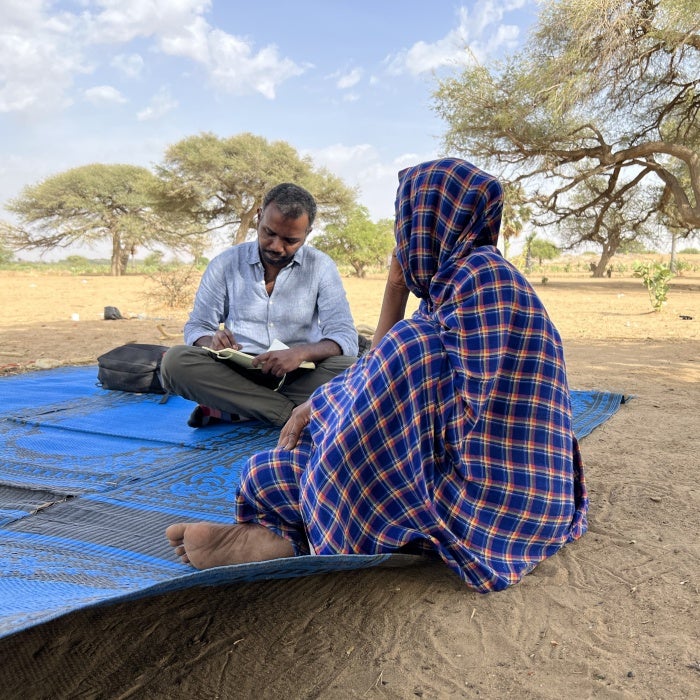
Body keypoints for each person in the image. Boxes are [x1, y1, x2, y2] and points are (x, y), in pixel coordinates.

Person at [166, 158, 588, 592]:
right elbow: (383, 369)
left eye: (406, 222)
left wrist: (324, 391)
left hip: (484, 479)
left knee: (383, 374)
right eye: (269, 233)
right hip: (245, 371)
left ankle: (295, 535)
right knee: (246, 444)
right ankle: (289, 529)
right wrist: (395, 286)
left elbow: (382, 360)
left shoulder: (481, 282)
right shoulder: (453, 281)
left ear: (429, 220)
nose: (401, 237)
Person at [160, 182, 359, 428]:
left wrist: (300, 353)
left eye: (290, 240)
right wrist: (210, 341)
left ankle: (239, 408)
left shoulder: (321, 267)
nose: (277, 246)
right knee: (175, 362)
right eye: (269, 233)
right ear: (258, 216)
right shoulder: (226, 264)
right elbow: (198, 326)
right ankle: (292, 415)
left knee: (355, 371)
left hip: (299, 373)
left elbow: (344, 337)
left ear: (308, 232)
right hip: (235, 371)